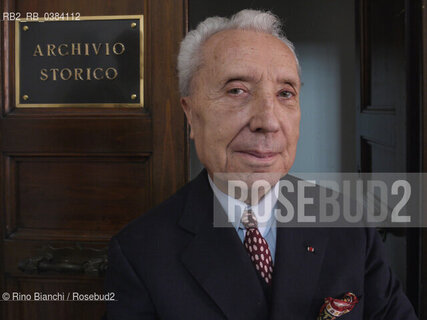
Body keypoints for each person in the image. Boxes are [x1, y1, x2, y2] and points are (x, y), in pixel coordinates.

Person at [105, 9, 418, 319]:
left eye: (285, 93)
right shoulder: (139, 252)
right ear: (190, 114)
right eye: (237, 90)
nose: (268, 121)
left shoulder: (350, 226)